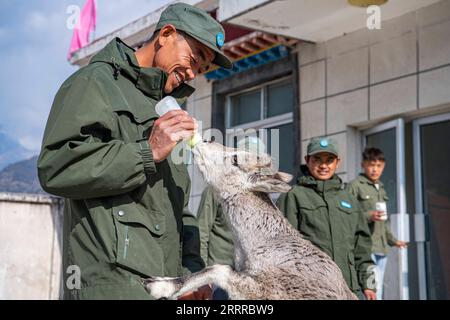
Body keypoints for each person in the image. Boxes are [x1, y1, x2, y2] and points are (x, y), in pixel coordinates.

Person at [37, 2, 232, 300]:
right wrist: (147, 151)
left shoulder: (168, 110)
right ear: (166, 34)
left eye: (201, 69)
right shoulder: (95, 83)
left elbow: (179, 208)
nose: (193, 74)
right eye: (193, 59)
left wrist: (192, 277)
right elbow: (56, 167)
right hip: (109, 290)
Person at [277, 137, 377, 300]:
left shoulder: (349, 199)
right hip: (313, 289)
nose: (323, 165)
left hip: (350, 288)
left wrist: (369, 284)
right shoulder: (294, 196)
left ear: (337, 162)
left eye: (329, 160)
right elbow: (284, 248)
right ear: (307, 160)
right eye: (317, 159)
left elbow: (363, 248)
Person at [196, 136, 265, 299]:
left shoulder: (262, 195)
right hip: (220, 280)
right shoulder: (215, 190)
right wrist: (202, 277)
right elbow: (201, 233)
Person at [347, 147, 408, 300]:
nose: (375, 169)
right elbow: (346, 214)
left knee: (378, 286)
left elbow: (383, 222)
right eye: (371, 165)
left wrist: (393, 241)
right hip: (365, 247)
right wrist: (368, 215)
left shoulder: (380, 188)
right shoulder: (355, 186)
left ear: (383, 166)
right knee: (371, 288)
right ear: (363, 165)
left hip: (381, 247)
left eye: (379, 165)